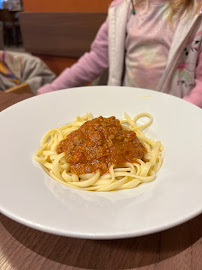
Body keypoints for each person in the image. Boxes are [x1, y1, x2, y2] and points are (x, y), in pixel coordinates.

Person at [37, 0, 202, 108]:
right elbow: (95, 58)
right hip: (126, 107)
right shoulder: (122, 8)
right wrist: (50, 90)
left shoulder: (197, 12)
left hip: (175, 109)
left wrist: (185, 113)